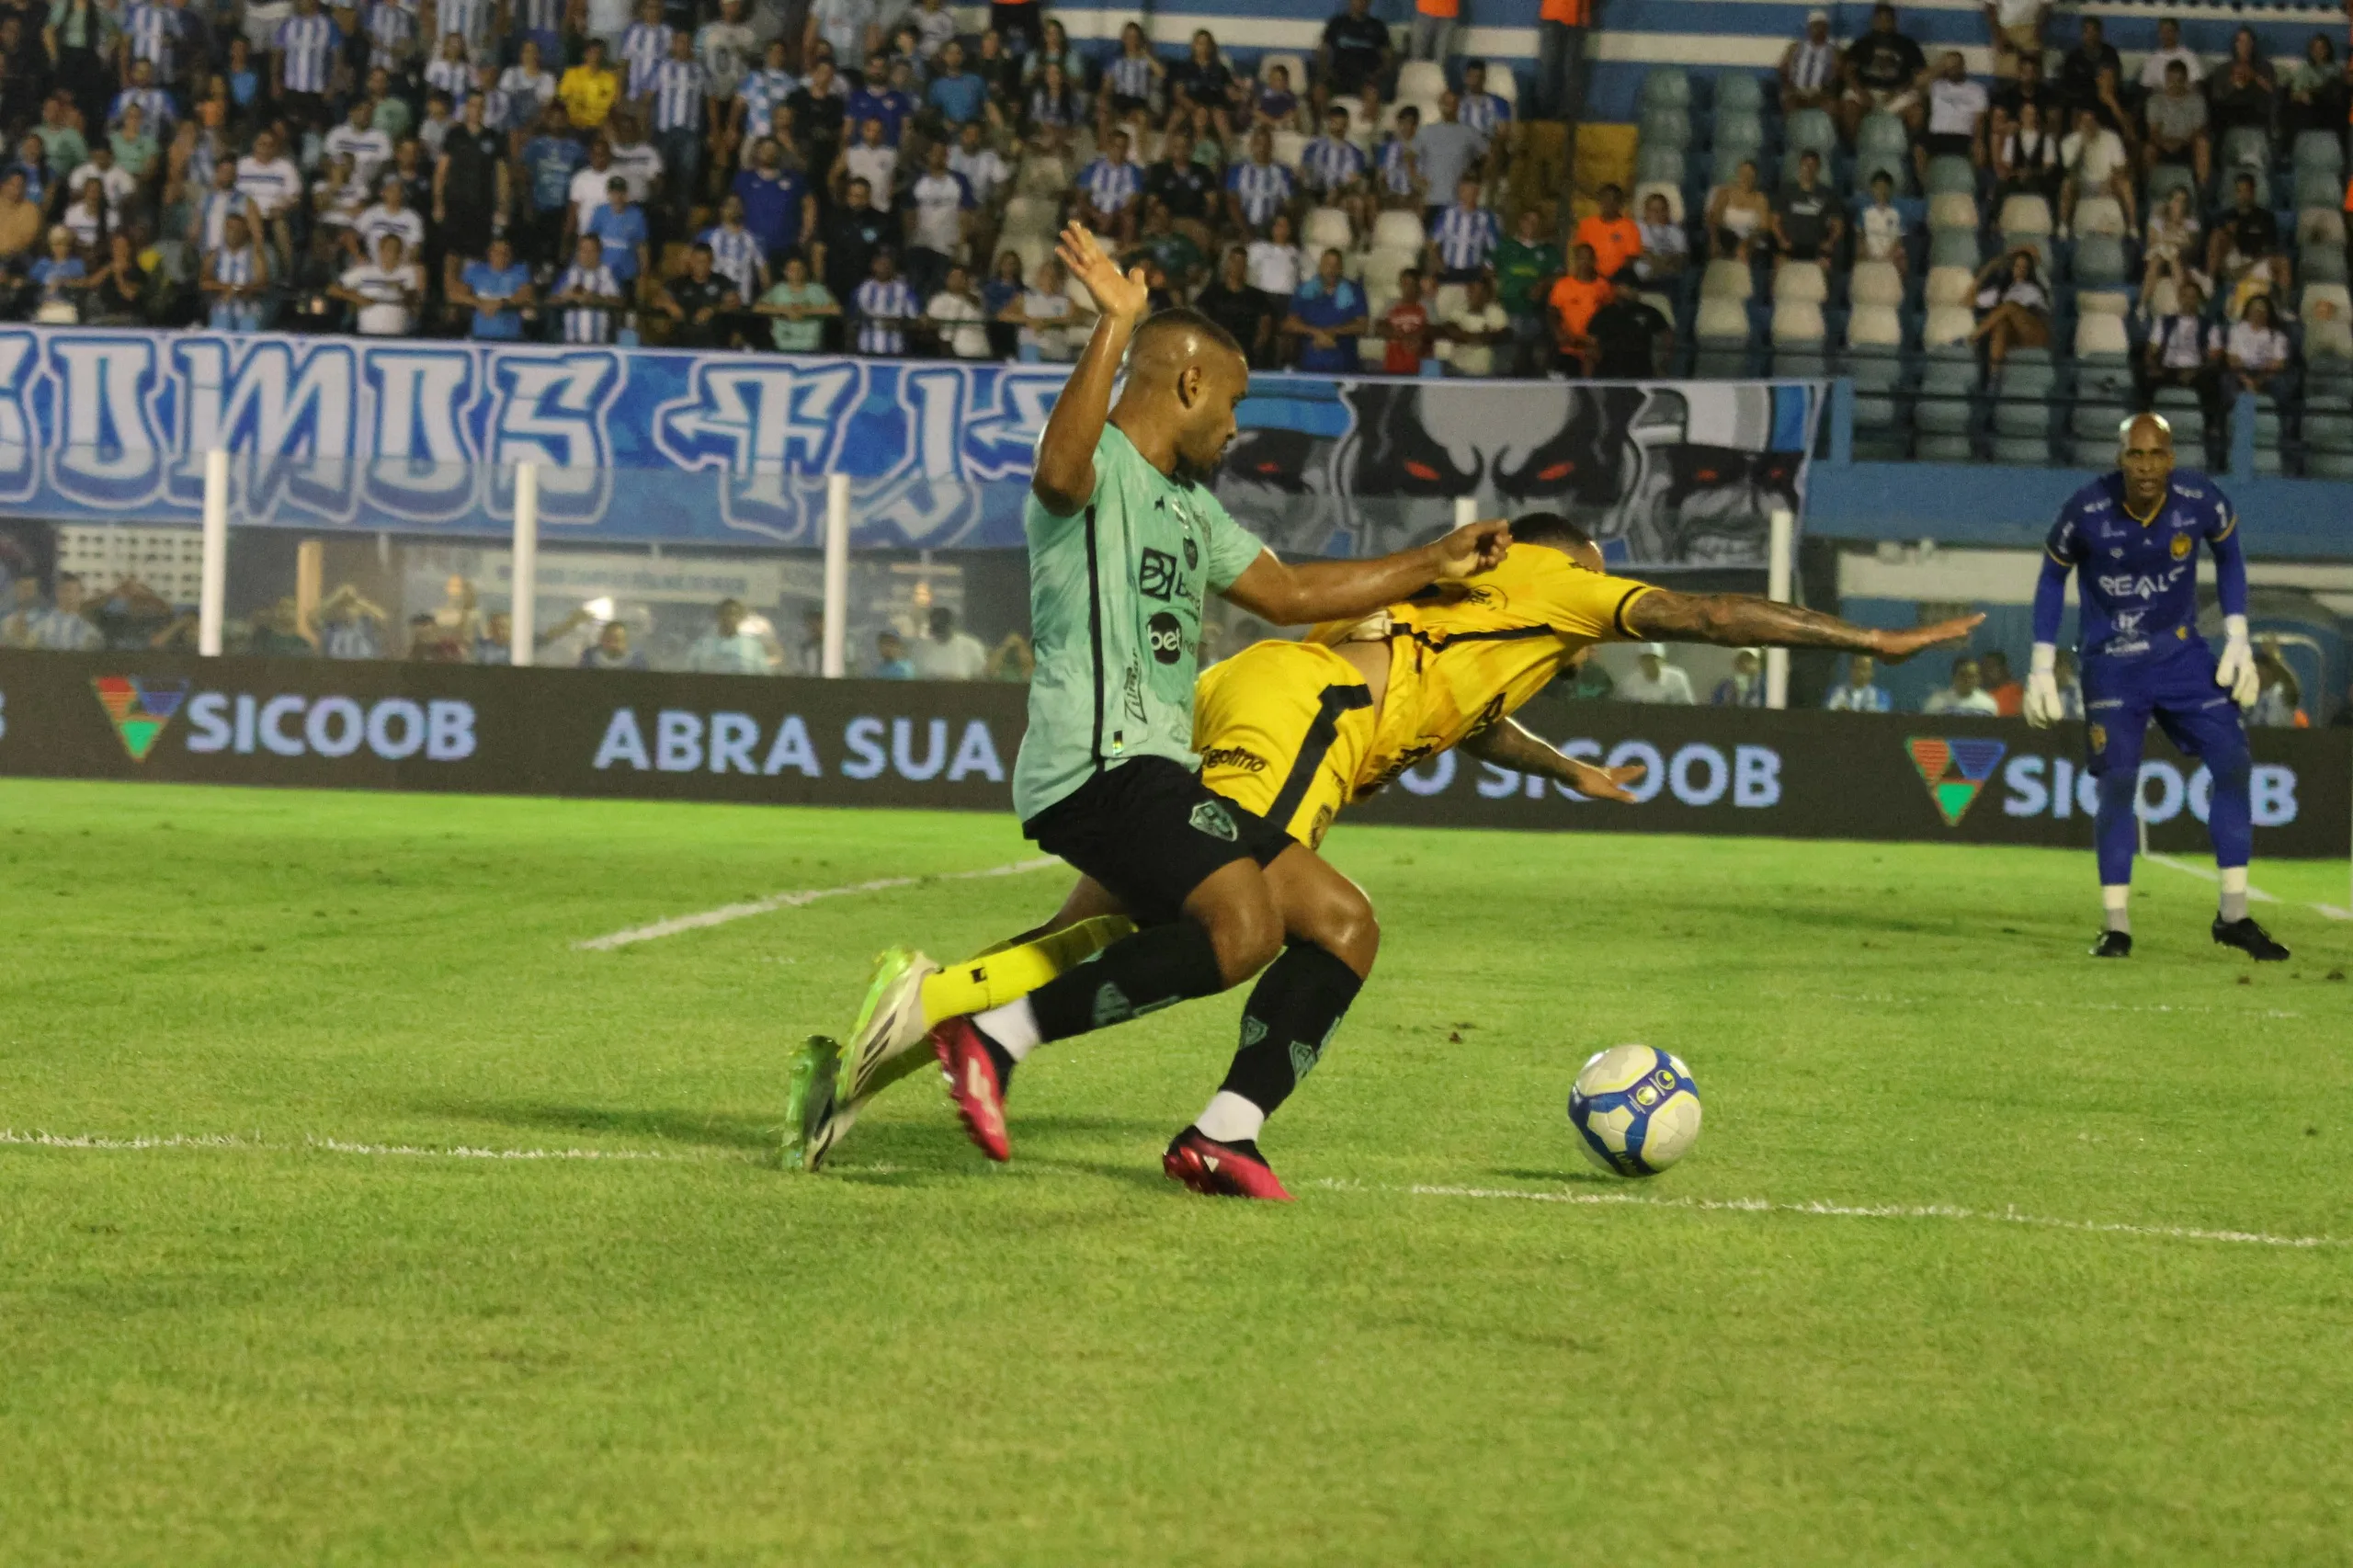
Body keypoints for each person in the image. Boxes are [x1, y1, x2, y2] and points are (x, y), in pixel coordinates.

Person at [785, 514, 1978, 1178]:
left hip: (1256, 692)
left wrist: (1565, 769)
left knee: (1137, 921)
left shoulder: (1494, 638)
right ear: (1576, 568)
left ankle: (880, 1058)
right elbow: (1713, 616)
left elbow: (1470, 720)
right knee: (1249, 921)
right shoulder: (1564, 582)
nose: (1606, 607)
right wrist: (1868, 642)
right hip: (1305, 713)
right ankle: (998, 1034)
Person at [820, 223, 1512, 1199]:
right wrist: (1113, 325)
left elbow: (1292, 594)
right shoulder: (1092, 466)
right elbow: (1058, 471)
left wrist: (1429, 560)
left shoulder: (1192, 508)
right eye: (1232, 402)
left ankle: (1225, 1131)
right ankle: (993, 1036)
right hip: (1094, 767)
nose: (1235, 426)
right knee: (1240, 926)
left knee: (1342, 922)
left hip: (1158, 771)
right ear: (1186, 385)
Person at [2024, 413, 2283, 960]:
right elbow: (2052, 576)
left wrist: (2238, 635)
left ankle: (2233, 915)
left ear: (2171, 458)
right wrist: (2042, 664)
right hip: (2112, 661)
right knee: (2118, 783)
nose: (2145, 467)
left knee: (2234, 761)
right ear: (2120, 458)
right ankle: (2116, 925)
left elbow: (2231, 554)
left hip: (2181, 654)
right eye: (2135, 456)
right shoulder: (2086, 509)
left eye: (2156, 455)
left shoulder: (2200, 499)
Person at [1838, 3, 1927, 143]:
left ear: (1894, 22)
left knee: (1917, 113)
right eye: (1880, 20)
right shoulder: (1862, 43)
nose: (1883, 23)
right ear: (1874, 21)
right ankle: (1855, 150)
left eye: (1887, 20)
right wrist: (1861, 92)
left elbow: (1920, 76)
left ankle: (1907, 148)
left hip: (1898, 92)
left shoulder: (1908, 45)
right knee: (1849, 108)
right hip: (1866, 90)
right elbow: (1848, 72)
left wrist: (1898, 91)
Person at [1283, 245, 1367, 373]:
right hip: (1310, 366)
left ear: (1342, 268)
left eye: (1336, 265)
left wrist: (1333, 332)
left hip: (1345, 367)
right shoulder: (1304, 291)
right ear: (1320, 267)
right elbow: (1290, 324)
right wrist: (1316, 333)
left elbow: (1362, 326)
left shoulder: (1355, 291)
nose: (1331, 270)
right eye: (1327, 264)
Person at [1969, 245, 2051, 367]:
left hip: (2038, 332)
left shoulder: (2035, 287)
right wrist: (1988, 269)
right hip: (2017, 338)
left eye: (2025, 267)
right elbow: (1968, 302)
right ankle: (1995, 377)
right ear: (2011, 268)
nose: (2021, 270)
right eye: (2017, 266)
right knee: (2001, 326)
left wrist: (2007, 255)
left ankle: (1970, 339)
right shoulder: (2002, 291)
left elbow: (2034, 251)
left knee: (2010, 306)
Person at [332, 231, 421, 335]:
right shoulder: (364, 271)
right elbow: (332, 289)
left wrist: (401, 290)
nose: (392, 253)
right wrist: (355, 297)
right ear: (380, 250)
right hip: (366, 334)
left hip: (399, 335)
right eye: (388, 249)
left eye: (396, 249)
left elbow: (415, 305)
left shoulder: (408, 273)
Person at [2142, 60, 2209, 192]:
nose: (2174, 84)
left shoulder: (2197, 100)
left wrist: (2181, 142)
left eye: (2179, 80)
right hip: (2162, 144)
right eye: (2170, 79)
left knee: (2203, 144)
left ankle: (2201, 192)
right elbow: (2154, 131)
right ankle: (2150, 192)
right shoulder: (2155, 101)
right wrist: (2166, 143)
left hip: (2187, 143)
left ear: (2186, 80)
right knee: (2149, 150)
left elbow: (2198, 130)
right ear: (2165, 79)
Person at [1585, 277, 1672, 379]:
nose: (1634, 290)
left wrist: (1662, 363)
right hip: (1608, 373)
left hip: (1641, 372)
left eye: (1636, 287)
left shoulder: (1649, 311)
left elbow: (1667, 337)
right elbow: (1591, 345)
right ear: (1616, 288)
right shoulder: (1604, 314)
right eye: (1629, 286)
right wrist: (1587, 379)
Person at [1771, 150, 1845, 271]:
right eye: (1806, 165)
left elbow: (1838, 225)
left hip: (1817, 247)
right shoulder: (1786, 191)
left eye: (1813, 166)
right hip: (1790, 246)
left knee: (1826, 267)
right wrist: (1781, 240)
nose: (1809, 169)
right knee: (1778, 266)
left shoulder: (1828, 194)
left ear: (1818, 168)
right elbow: (1774, 221)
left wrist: (1830, 242)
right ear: (1800, 166)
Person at [1546, 242, 1609, 376]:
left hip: (1594, 349)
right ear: (1576, 260)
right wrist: (1559, 332)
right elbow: (1553, 312)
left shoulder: (1603, 286)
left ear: (1594, 261)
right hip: (1569, 348)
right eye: (1581, 258)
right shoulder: (1563, 285)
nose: (1584, 262)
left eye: (1588, 258)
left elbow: (1609, 314)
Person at [756, 252, 838, 351]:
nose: (796, 272)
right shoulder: (778, 290)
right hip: (783, 346)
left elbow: (836, 310)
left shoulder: (817, 289)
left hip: (812, 347)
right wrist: (785, 310)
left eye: (799, 269)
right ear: (785, 272)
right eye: (792, 269)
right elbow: (757, 307)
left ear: (805, 271)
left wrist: (805, 311)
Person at [2219, 295, 2290, 400]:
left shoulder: (2277, 335)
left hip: (2266, 374)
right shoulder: (2237, 331)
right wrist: (2246, 380)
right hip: (2241, 372)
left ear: (2268, 313)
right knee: (2227, 380)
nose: (2258, 313)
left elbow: (2280, 363)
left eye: (2261, 310)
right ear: (2248, 311)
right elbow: (2232, 359)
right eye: (2255, 309)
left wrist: (2259, 380)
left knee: (2280, 383)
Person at [1438, 274, 1509, 377]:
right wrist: (1478, 337)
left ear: (1486, 293)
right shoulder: (1459, 311)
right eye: (1470, 289)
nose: (1472, 294)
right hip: (1458, 372)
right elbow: (1449, 330)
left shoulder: (1495, 312)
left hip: (1486, 375)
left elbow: (1504, 335)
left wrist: (1469, 336)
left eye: (1477, 290)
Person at [1705, 158, 1771, 263]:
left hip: (1751, 239)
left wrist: (1748, 241)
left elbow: (1764, 227)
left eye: (1751, 175)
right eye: (1744, 173)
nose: (1747, 177)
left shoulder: (1760, 198)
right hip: (1726, 236)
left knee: (1744, 252)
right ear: (1738, 174)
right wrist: (1714, 242)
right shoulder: (1725, 193)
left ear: (1756, 178)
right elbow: (1712, 219)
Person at [1571, 182, 1640, 281]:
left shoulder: (1629, 227)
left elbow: (1631, 258)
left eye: (1614, 200)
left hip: (1618, 278)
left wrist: (1611, 278)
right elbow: (1579, 253)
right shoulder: (1587, 225)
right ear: (1600, 201)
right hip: (1591, 277)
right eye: (1606, 199)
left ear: (1621, 203)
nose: (1609, 203)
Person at [686, 597, 771, 674]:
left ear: (741, 617)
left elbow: (765, 676)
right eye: (725, 613)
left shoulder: (753, 647)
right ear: (718, 616)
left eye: (733, 614)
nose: (729, 617)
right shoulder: (702, 645)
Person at [1782, 9, 1841, 113]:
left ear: (1827, 28)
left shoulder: (1834, 52)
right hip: (1796, 92)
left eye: (1822, 26)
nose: (1819, 29)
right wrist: (1789, 88)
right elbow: (1782, 68)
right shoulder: (1795, 48)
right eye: (1816, 25)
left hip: (1820, 94)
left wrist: (1821, 92)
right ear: (1809, 28)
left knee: (1832, 106)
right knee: (1788, 102)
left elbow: (1836, 76)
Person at [1374, 267, 1430, 374]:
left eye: (1410, 284)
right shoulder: (1391, 304)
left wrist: (1418, 336)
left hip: (1419, 367)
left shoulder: (1426, 306)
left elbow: (1435, 330)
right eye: (1403, 284)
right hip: (1393, 365)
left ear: (1418, 286)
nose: (1405, 289)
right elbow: (1378, 327)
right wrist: (1401, 336)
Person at [910, 605, 986, 678]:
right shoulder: (920, 648)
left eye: (942, 627)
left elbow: (980, 676)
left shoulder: (971, 646)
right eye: (937, 628)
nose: (940, 632)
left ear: (951, 625)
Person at [1617, 642, 1695, 703]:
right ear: (1640, 662)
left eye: (1653, 659)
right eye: (1645, 659)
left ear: (1662, 660)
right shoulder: (1630, 683)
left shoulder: (1677, 679)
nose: (1649, 663)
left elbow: (1687, 706)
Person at [1924, 655, 1998, 715]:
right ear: (1954, 677)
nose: (1967, 679)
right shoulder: (1936, 702)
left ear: (1978, 679)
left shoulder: (1988, 704)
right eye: (1963, 675)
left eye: (1971, 676)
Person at [1826, 653, 1892, 711]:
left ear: (1872, 672)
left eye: (1864, 669)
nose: (1860, 673)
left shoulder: (1882, 697)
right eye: (1857, 667)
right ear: (1851, 669)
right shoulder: (1838, 692)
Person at [1979, 649, 2022, 715]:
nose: (1986, 671)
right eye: (1984, 667)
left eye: (1991, 667)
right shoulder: (1979, 694)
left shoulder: (2015, 691)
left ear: (2003, 669)